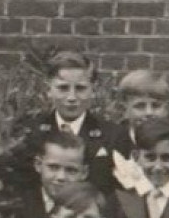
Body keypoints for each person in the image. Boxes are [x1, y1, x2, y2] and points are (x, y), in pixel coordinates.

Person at [7, 50, 115, 192]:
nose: (71, 97)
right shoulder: (29, 132)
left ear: (92, 91)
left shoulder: (113, 136)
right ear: (49, 90)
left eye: (80, 88)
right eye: (63, 88)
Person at [6, 129, 90, 218]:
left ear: (84, 173)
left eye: (71, 170)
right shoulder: (16, 207)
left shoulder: (91, 210)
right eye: (53, 167)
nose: (61, 177)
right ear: (38, 165)